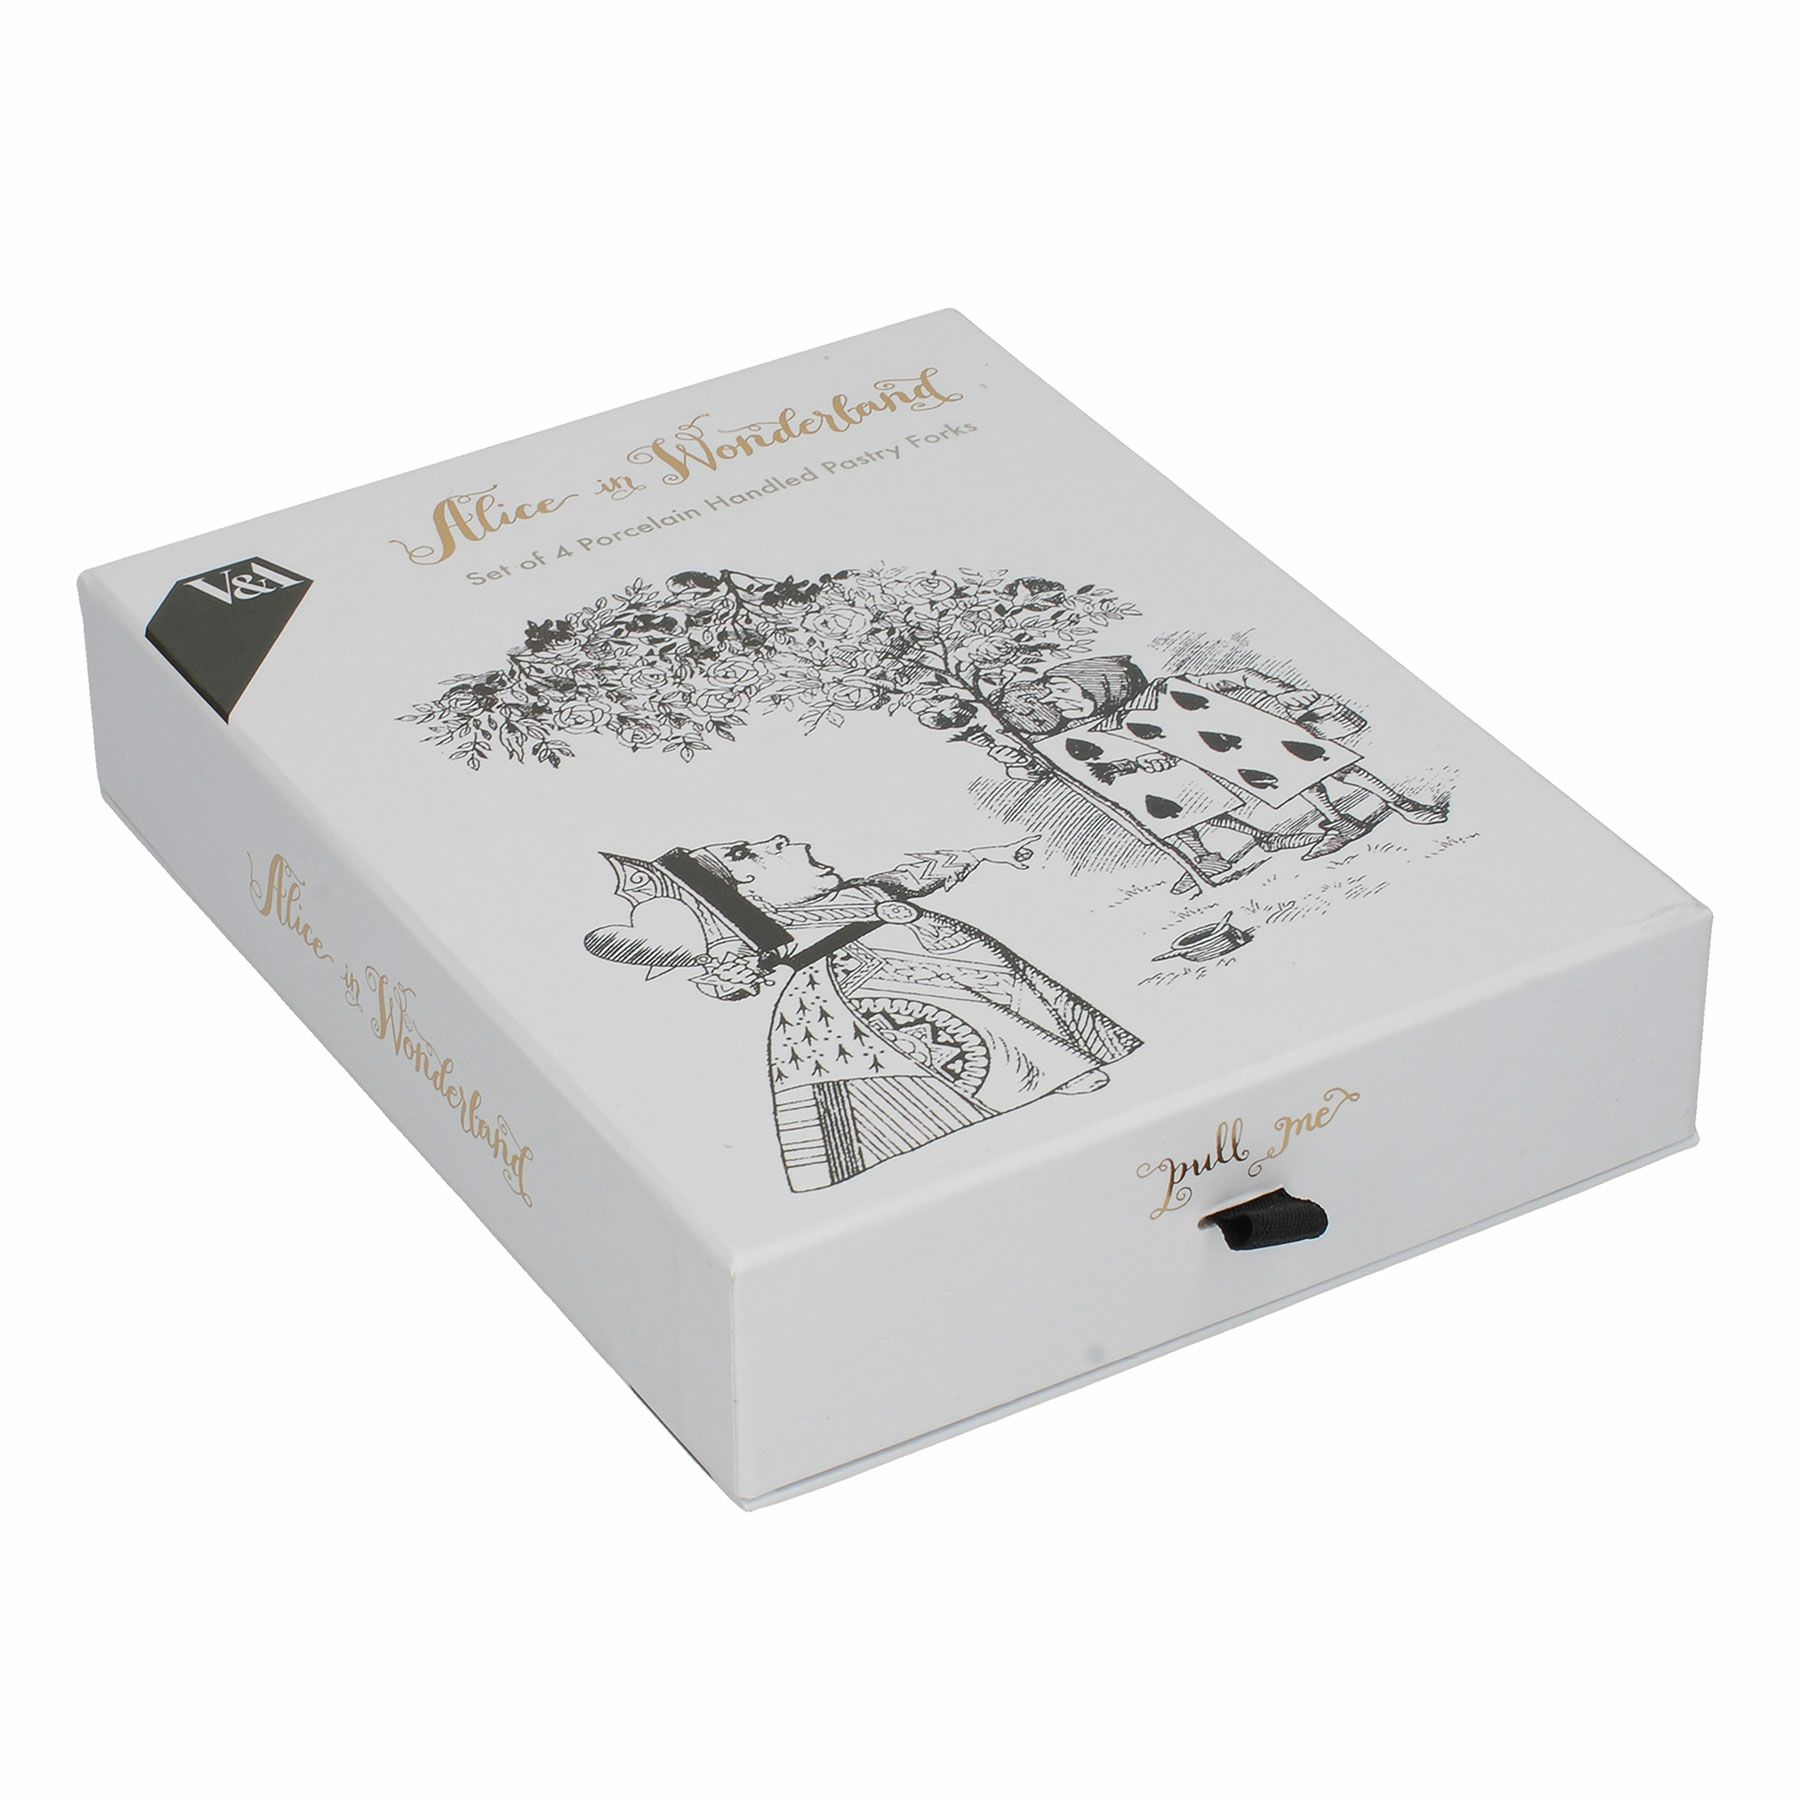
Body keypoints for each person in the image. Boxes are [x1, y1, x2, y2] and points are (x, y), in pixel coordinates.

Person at [586, 832, 1140, 1192]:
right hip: (863, 978)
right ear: (748, 887)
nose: (782, 840)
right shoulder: (775, 930)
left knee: (1015, 997)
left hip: (946, 954)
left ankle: (1075, 1051)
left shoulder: (855, 891)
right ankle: (1052, 1074)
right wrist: (726, 970)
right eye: (750, 852)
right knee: (969, 1023)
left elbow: (909, 878)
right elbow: (732, 975)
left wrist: (984, 855)